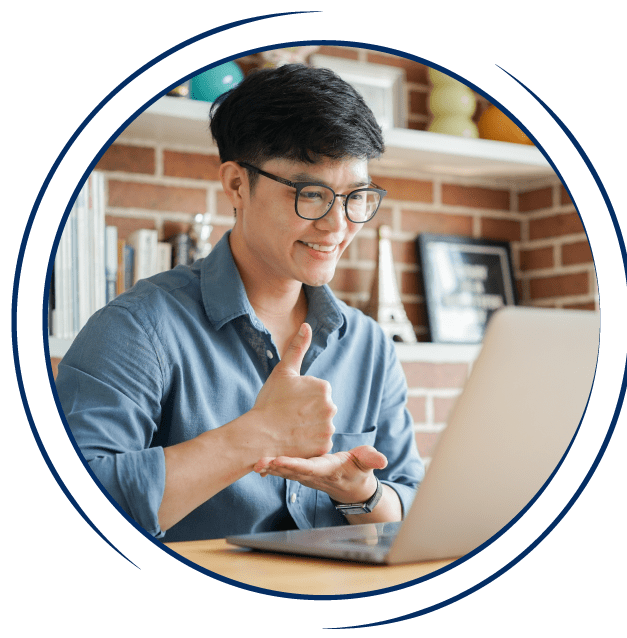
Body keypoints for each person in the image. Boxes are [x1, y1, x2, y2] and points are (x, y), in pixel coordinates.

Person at [55, 63, 424, 543]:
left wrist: (361, 492)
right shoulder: (137, 328)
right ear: (235, 185)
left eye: (356, 196)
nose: (338, 225)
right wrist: (256, 435)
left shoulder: (370, 344)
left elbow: (411, 501)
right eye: (311, 194)